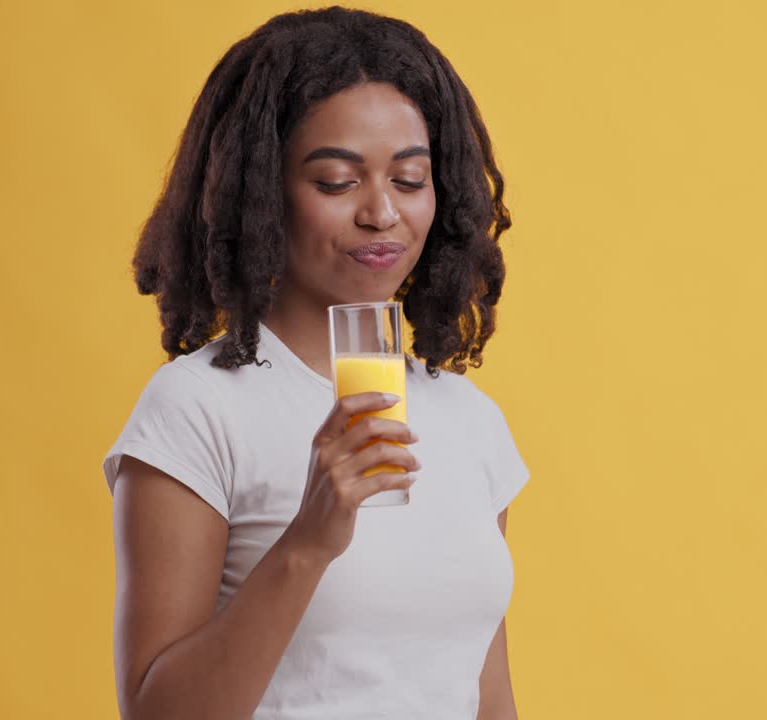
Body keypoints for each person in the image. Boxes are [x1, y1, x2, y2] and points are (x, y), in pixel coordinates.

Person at [102, 6, 529, 719]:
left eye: (410, 179)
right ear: (262, 196)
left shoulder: (473, 423)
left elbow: (486, 700)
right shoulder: (198, 410)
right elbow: (155, 713)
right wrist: (309, 541)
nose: (381, 213)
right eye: (336, 182)